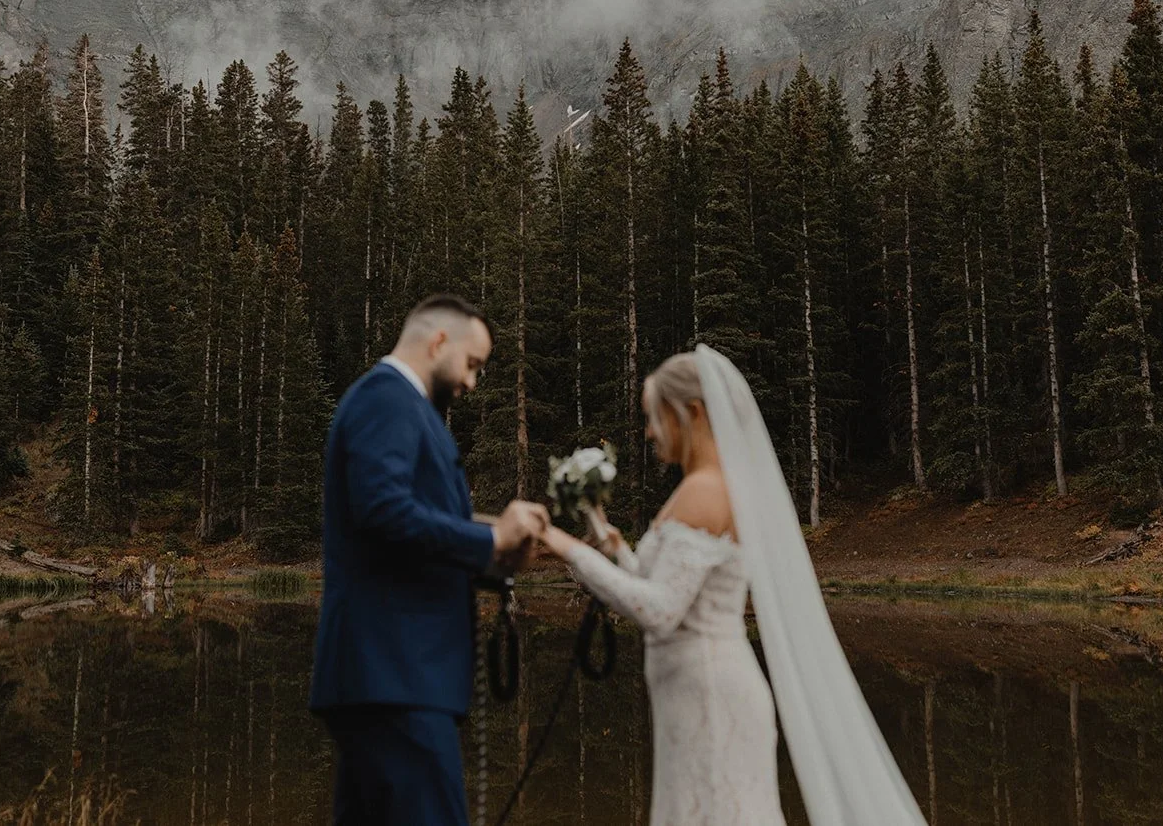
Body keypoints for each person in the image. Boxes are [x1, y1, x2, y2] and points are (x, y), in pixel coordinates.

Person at [539, 347, 927, 825]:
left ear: (693, 412)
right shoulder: (702, 485)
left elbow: (660, 610)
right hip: (693, 694)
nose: (649, 433)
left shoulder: (706, 490)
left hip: (711, 697)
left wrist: (561, 544)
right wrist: (610, 546)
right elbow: (660, 584)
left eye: (655, 418)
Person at [310, 294, 549, 826]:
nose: (471, 383)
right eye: (472, 364)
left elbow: (404, 525)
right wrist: (488, 541)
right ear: (439, 341)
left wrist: (498, 551)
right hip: (395, 677)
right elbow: (383, 511)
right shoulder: (388, 398)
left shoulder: (406, 408)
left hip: (391, 678)